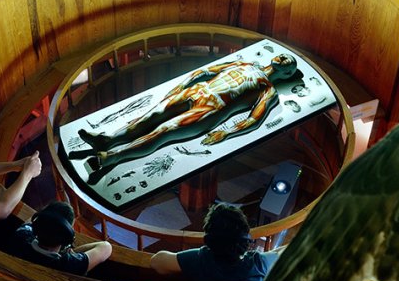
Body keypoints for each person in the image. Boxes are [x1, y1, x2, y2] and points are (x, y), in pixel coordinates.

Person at [71, 54, 300, 185]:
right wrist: (182, 85)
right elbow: (207, 71)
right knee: (148, 116)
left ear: (288, 73)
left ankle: (111, 157)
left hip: (213, 108)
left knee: (163, 131)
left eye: (288, 61)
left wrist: (226, 132)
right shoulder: (245, 64)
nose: (283, 58)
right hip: (199, 90)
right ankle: (107, 140)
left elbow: (254, 119)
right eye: (285, 55)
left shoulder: (268, 90)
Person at [150, 203, 279, 281]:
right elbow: (285, 253)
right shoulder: (259, 263)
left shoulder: (199, 259)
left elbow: (156, 262)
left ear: (209, 241)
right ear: (245, 239)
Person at [9, 201, 112, 275]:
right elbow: (106, 247)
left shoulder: (22, 235)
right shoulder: (70, 264)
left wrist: (49, 215)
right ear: (69, 237)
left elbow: (32, 221)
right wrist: (73, 251)